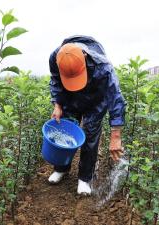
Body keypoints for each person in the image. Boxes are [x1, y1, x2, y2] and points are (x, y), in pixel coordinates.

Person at [48, 35, 126, 195]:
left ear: (85, 56)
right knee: (66, 131)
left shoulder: (103, 67)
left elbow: (115, 98)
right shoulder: (55, 58)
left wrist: (116, 134)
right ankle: (61, 168)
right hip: (69, 98)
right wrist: (57, 104)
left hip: (95, 102)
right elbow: (56, 80)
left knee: (90, 137)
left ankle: (84, 178)